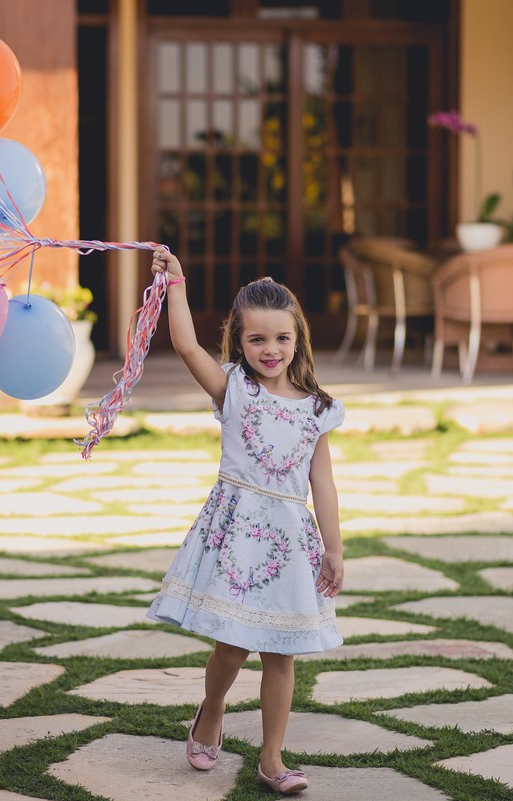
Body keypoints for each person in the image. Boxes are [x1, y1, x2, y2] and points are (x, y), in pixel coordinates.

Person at [145, 249, 345, 796]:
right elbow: (186, 345)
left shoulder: (317, 408)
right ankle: (212, 709)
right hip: (237, 536)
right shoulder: (234, 389)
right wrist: (177, 283)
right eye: (256, 339)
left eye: (281, 338)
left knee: (281, 652)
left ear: (298, 338)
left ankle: (272, 758)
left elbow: (322, 483)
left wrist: (333, 547)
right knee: (232, 646)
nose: (270, 349)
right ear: (238, 341)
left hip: (289, 542)